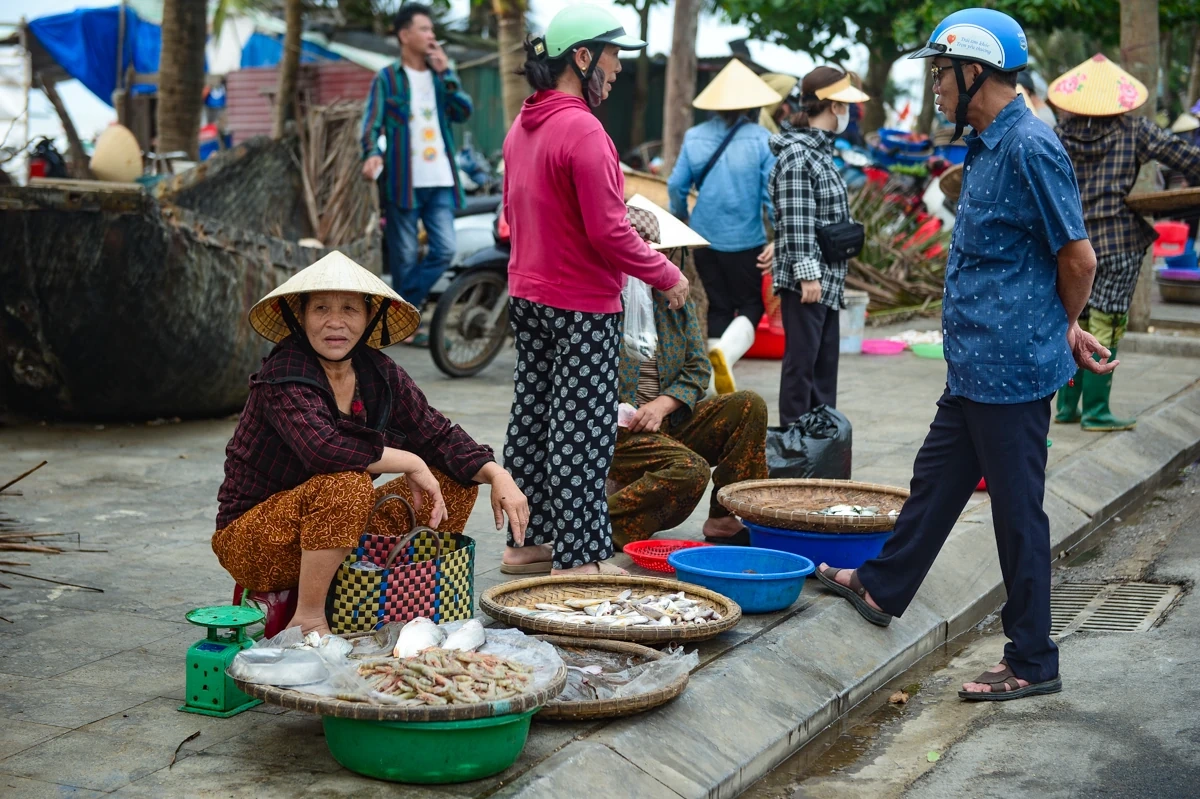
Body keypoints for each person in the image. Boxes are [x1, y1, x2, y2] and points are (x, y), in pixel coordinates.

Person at [815, 9, 1116, 701]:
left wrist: (1061, 325)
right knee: (936, 480)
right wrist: (1057, 324)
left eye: (940, 73)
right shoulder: (986, 143)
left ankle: (1033, 659)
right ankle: (882, 587)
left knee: (1017, 515)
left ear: (973, 71)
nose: (936, 88)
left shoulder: (1030, 147)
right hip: (976, 363)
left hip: (1010, 372)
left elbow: (1078, 256)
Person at [212, 252, 528, 635]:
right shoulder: (285, 373)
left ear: (369, 318)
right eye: (321, 309)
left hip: (332, 531)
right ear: (301, 316)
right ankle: (309, 619)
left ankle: (396, 596)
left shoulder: (378, 372)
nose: (335, 322)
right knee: (346, 482)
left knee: (453, 482)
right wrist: (411, 462)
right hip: (254, 541)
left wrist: (498, 475)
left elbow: (437, 433)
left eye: (349, 309)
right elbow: (322, 449)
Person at [497, 5, 689, 576]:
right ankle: (578, 560)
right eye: (613, 55)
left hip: (527, 295)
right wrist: (667, 274)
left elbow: (514, 214)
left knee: (531, 419)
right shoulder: (584, 129)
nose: (619, 68)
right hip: (580, 303)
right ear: (581, 58)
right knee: (580, 430)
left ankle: (525, 545)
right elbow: (609, 232)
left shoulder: (522, 125)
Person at [606, 200, 769, 549]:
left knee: (749, 404)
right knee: (691, 470)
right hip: (621, 432)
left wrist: (663, 405)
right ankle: (596, 527)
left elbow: (698, 367)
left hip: (671, 418)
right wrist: (630, 410)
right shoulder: (603, 300)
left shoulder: (675, 301)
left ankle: (724, 517)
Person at [1050, 54, 1200, 431]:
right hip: (1118, 241)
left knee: (1071, 319)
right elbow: (1186, 158)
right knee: (1108, 322)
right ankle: (1097, 411)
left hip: (1068, 244)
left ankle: (1067, 408)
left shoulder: (1056, 134)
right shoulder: (1137, 131)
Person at [763, 66, 870, 426]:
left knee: (822, 371)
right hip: (809, 282)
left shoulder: (821, 152)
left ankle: (821, 444)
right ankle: (794, 446)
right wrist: (808, 275)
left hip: (827, 280)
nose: (850, 113)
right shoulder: (798, 155)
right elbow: (795, 220)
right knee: (802, 369)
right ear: (832, 106)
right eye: (846, 105)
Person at [361, 3, 472, 332]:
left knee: (444, 250)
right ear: (404, 35)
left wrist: (447, 73)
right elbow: (372, 123)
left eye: (432, 30)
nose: (431, 35)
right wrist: (371, 152)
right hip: (402, 181)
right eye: (424, 29)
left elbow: (463, 112)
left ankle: (396, 317)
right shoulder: (387, 78)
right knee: (404, 257)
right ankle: (404, 323)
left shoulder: (441, 77)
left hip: (441, 179)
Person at [668, 59, 779, 338]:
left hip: (705, 239)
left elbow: (676, 185)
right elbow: (771, 196)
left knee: (718, 307)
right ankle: (726, 359)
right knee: (751, 304)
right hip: (747, 242)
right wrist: (780, 235)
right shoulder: (762, 139)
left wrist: (680, 215)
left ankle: (719, 376)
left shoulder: (694, 137)